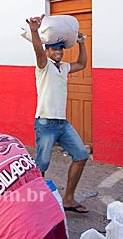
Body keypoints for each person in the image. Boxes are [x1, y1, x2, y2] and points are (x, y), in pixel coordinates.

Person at [26, 14, 90, 214]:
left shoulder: (63, 68)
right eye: (54, 48)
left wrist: (80, 43)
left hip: (62, 123)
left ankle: (68, 199)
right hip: (45, 123)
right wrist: (35, 31)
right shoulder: (43, 66)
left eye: (61, 49)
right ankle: (33, 202)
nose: (59, 52)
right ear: (48, 50)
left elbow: (82, 64)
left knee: (81, 155)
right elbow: (37, 50)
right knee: (42, 164)